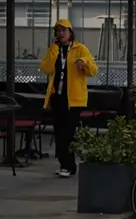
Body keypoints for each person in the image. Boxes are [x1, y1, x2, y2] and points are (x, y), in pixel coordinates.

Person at [39, 19, 98, 178]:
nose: (60, 33)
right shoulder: (55, 50)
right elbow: (46, 68)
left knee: (68, 133)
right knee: (59, 132)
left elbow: (93, 70)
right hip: (57, 97)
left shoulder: (80, 49)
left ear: (70, 32)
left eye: (63, 30)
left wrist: (83, 62)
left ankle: (69, 165)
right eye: (58, 31)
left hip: (73, 99)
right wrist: (53, 50)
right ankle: (64, 164)